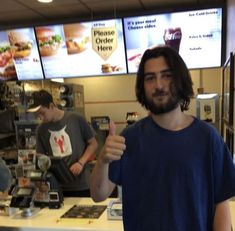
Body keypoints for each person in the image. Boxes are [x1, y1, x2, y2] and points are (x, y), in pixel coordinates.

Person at [90, 46, 235, 231]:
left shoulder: (208, 138)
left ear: (180, 80)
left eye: (166, 75)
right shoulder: (130, 139)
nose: (159, 85)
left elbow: (221, 203)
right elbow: (98, 194)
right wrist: (102, 160)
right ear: (142, 86)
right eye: (150, 78)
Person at [28, 89, 98, 197]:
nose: (40, 117)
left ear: (51, 106)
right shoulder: (40, 130)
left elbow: (93, 144)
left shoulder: (76, 119)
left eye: (42, 113)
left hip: (82, 185)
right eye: (37, 115)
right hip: (57, 187)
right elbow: (41, 157)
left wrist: (81, 162)